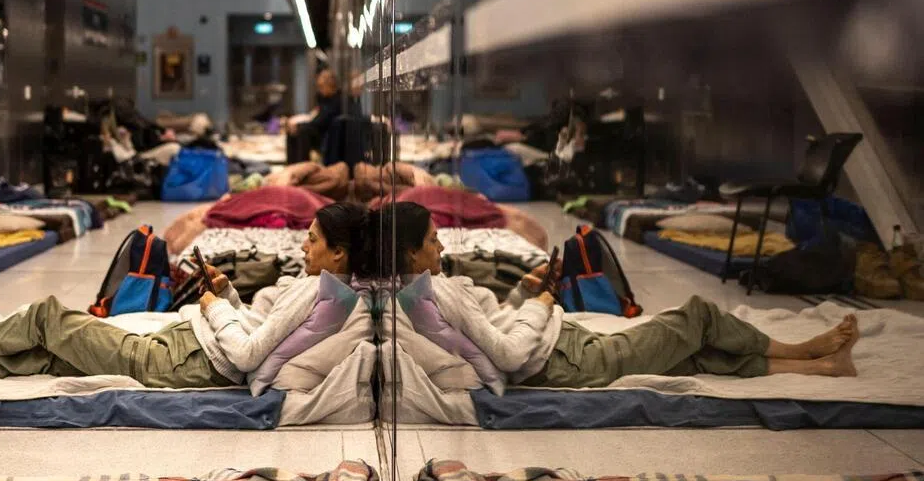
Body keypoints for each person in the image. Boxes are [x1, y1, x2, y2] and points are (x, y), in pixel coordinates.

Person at [368, 202, 860, 388]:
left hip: (564, 345)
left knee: (689, 358)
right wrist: (541, 309)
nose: (441, 244)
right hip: (568, 361)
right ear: (410, 253)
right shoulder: (434, 299)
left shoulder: (422, 292)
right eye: (432, 239)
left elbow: (491, 323)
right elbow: (511, 354)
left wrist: (523, 292)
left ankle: (820, 367)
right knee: (697, 317)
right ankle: (804, 350)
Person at [0, 204, 370, 388]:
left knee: (46, 318)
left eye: (313, 240)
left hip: (183, 362)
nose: (303, 245)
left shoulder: (317, 297)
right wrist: (231, 299)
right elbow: (261, 335)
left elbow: (245, 356)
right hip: (190, 349)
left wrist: (215, 308)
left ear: (340, 255)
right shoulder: (325, 291)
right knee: (54, 358)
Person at [288, 68, 344, 152]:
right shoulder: (326, 99)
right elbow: (317, 114)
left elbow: (321, 121)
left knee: (301, 130)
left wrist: (299, 126)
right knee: (299, 129)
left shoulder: (336, 100)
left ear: (330, 84)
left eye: (321, 87)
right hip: (323, 131)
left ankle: (301, 162)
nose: (320, 90)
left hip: (328, 137)